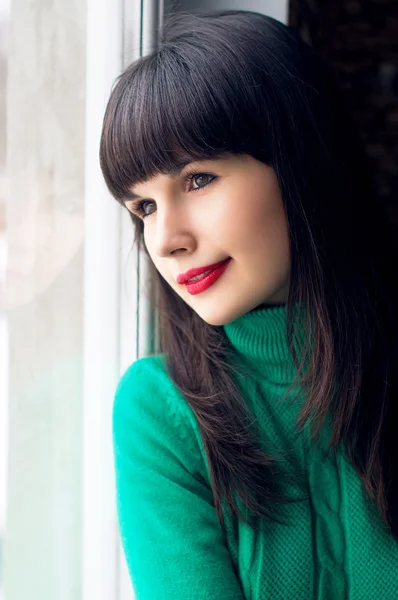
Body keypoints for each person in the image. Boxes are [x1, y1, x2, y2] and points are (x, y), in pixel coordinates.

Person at [100, 9, 398, 600]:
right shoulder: (162, 411)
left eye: (197, 179)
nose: (165, 240)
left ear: (299, 162)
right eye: (144, 208)